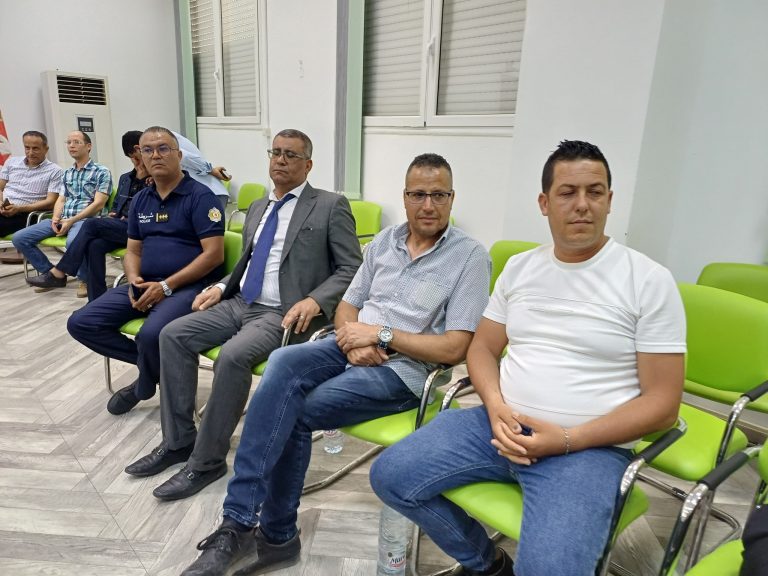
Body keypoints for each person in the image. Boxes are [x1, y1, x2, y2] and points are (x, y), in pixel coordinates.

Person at [370, 140, 687, 576]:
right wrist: (496, 407)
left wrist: (568, 439)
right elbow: (482, 348)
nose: (582, 204)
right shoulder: (521, 268)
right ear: (544, 203)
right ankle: (487, 563)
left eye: (594, 192)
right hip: (498, 427)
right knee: (391, 476)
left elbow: (663, 405)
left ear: (610, 200)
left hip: (587, 451)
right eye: (567, 192)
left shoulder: (648, 281)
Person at [180, 152, 491, 576]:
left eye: (439, 195)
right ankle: (241, 522)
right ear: (405, 197)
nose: (428, 205)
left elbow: (455, 348)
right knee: (282, 361)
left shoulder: (470, 257)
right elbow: (347, 306)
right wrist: (351, 338)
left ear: (452, 198)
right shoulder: (384, 242)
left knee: (295, 411)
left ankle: (270, 533)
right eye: (418, 194)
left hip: (404, 371)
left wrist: (379, 336)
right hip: (348, 345)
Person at [123, 128, 363, 501]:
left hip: (283, 312)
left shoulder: (330, 205)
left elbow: (351, 268)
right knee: (172, 335)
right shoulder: (258, 207)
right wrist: (221, 287)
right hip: (240, 302)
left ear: (308, 165)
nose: (281, 160)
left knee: (233, 357)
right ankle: (178, 442)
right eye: (276, 152)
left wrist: (316, 300)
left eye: (291, 155)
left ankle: (207, 461)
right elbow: (248, 262)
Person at [66, 126, 225, 414]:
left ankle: (142, 385)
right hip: (144, 282)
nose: (155, 155)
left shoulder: (201, 197)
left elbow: (214, 256)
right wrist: (133, 278)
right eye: (147, 150)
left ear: (179, 155)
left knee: (152, 334)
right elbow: (133, 251)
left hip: (188, 287)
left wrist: (166, 286)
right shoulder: (142, 199)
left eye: (163, 148)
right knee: (81, 322)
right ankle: (151, 370)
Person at [25, 131, 148, 300]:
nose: (136, 162)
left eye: (138, 158)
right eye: (132, 158)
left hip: (140, 228)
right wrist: (114, 214)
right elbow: (116, 206)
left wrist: (146, 176)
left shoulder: (155, 179)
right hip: (120, 227)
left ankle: (60, 272)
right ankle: (96, 300)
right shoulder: (125, 178)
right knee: (94, 245)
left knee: (90, 224)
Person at [12, 131, 111, 296]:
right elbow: (61, 200)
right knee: (20, 238)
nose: (71, 146)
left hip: (87, 220)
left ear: (88, 146)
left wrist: (71, 221)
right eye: (69, 142)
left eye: (76, 142)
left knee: (73, 241)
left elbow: (98, 204)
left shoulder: (101, 171)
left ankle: (85, 280)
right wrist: (55, 218)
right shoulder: (67, 173)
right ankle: (51, 274)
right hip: (63, 219)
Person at [0, 130, 63, 257]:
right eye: (27, 148)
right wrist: (0, 203)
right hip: (4, 210)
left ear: (46, 149)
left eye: (35, 148)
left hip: (28, 214)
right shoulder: (12, 162)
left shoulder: (55, 171)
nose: (30, 152)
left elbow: (51, 202)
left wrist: (19, 208)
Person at [174, 131, 231, 211]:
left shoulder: (164, 138)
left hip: (210, 192)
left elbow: (186, 157)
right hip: (197, 194)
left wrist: (212, 170)